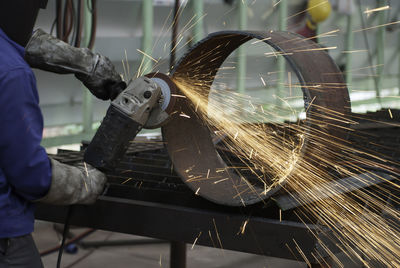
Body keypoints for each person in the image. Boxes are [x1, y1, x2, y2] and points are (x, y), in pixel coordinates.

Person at [0, 1, 124, 267]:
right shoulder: (12, 74)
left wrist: (83, 63)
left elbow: (14, 38)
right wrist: (83, 183)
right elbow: (29, 174)